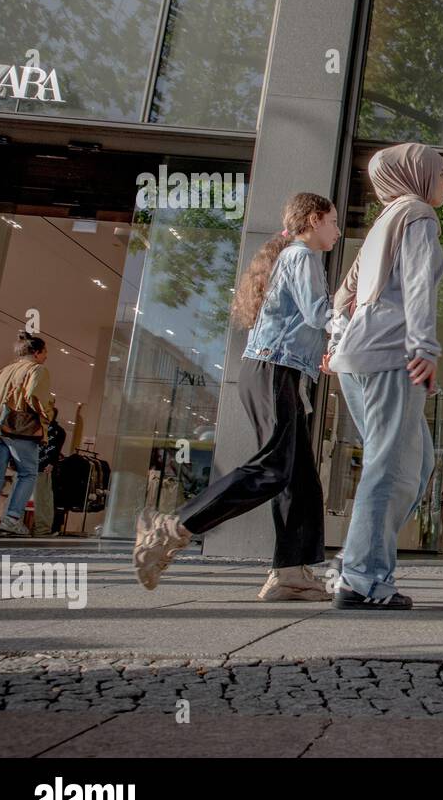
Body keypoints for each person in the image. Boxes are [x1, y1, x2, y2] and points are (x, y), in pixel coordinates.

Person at [132, 193, 341, 599]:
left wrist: (322, 356)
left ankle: (290, 573)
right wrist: (363, 324)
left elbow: (300, 325)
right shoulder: (302, 255)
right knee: (273, 469)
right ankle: (171, 529)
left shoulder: (297, 257)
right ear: (315, 220)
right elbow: (320, 313)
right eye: (333, 222)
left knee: (300, 479)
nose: (336, 230)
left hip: (278, 371)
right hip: (272, 371)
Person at [328, 142, 443, 609]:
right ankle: (362, 581)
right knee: (389, 469)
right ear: (416, 174)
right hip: (390, 356)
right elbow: (419, 283)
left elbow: (344, 294)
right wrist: (423, 347)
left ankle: (359, 561)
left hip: (359, 359)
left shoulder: (384, 221)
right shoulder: (417, 213)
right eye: (441, 173)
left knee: (413, 467)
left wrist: (336, 344)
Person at [0, 332, 54, 536]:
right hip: (19, 430)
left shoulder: (4, 371)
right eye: (45, 352)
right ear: (37, 352)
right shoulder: (37, 369)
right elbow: (35, 398)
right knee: (28, 473)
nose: (46, 356)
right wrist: (47, 415)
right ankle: (11, 518)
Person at [33, 397, 65, 536]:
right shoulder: (36, 424)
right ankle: (14, 522)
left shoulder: (58, 431)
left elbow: (56, 449)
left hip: (42, 467)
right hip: (29, 465)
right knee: (31, 497)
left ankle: (42, 528)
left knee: (43, 498)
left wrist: (51, 463)